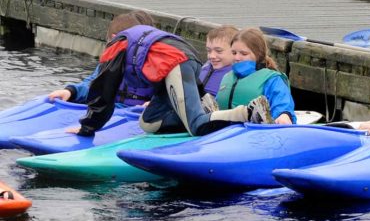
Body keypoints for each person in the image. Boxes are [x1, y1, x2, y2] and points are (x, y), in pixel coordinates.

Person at [68, 24, 294, 138]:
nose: (236, 60)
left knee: (196, 125)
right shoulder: (229, 76)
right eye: (234, 54)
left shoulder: (270, 78)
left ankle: (246, 113)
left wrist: (87, 128)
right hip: (224, 122)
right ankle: (221, 117)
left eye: (243, 55)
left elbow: (102, 92)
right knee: (149, 122)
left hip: (253, 127)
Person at [48, 10, 154, 106]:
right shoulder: (108, 64)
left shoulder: (157, 67)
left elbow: (165, 95)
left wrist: (155, 105)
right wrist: (71, 92)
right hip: (110, 112)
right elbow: (91, 85)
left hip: (134, 117)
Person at [216, 28, 296, 125]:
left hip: (254, 135)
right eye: (234, 53)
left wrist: (284, 115)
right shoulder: (227, 77)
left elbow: (282, 104)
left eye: (243, 53)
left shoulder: (272, 79)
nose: (237, 58)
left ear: (258, 54)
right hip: (222, 135)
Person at [199, 25, 239, 96]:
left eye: (218, 51)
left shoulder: (237, 77)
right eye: (209, 51)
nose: (212, 56)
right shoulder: (206, 67)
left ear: (235, 51)